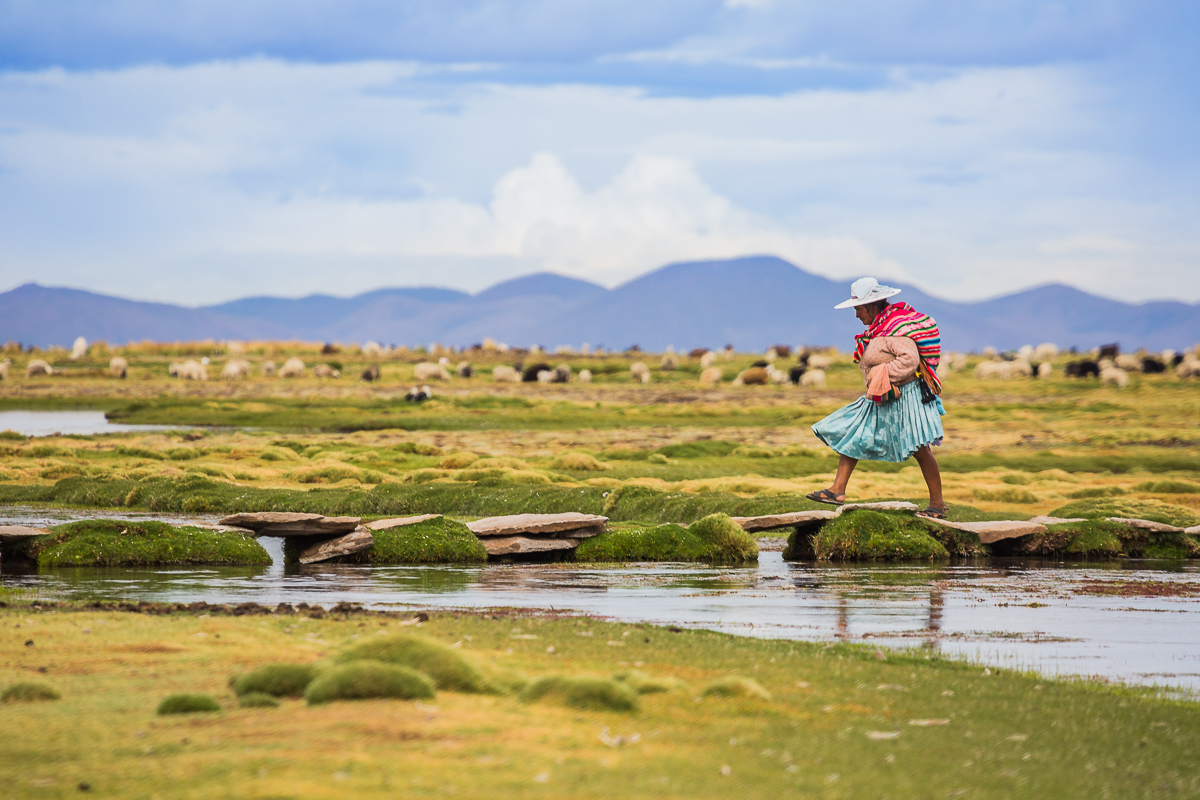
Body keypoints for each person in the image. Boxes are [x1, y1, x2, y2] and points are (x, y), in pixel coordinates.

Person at [806, 277, 948, 519]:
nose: (857, 315)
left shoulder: (893, 332)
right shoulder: (881, 329)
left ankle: (937, 504)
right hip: (883, 395)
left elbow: (910, 360)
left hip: (903, 398)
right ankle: (837, 490)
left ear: (871, 306)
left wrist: (880, 374)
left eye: (858, 309)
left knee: (921, 449)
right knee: (855, 433)